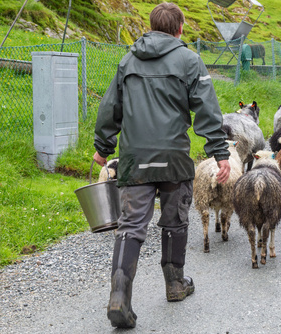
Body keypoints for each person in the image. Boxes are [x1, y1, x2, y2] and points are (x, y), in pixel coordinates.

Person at [93, 2, 231, 329]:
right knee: (175, 222)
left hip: (134, 159)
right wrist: (220, 153)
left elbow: (110, 107)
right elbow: (207, 112)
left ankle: (120, 296)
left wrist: (103, 148)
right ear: (179, 29)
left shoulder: (128, 60)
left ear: (151, 27)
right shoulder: (189, 60)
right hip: (172, 158)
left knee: (130, 226)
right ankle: (175, 284)